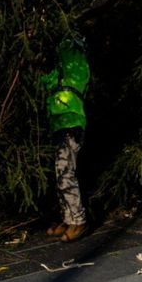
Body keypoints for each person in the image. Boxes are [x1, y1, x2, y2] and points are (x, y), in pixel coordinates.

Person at [41, 34, 90, 242]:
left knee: (65, 173)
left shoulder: (75, 60)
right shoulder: (58, 69)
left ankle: (78, 220)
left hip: (71, 123)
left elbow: (69, 46)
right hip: (59, 124)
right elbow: (47, 80)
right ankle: (68, 217)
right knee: (60, 173)